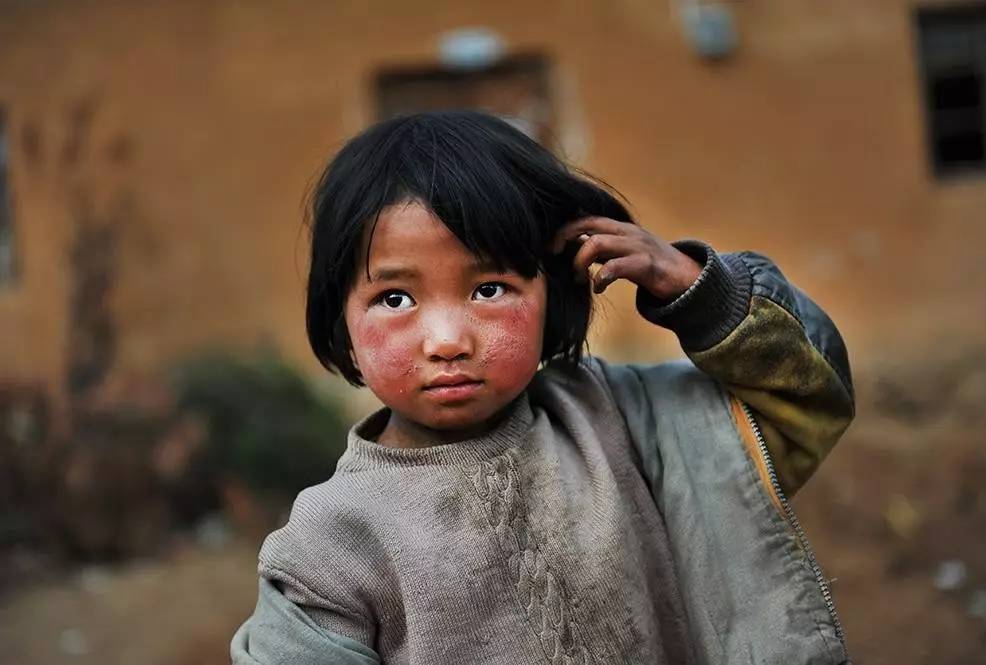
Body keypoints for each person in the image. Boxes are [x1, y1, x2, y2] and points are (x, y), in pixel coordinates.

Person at [231, 110, 855, 664]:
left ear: (551, 296)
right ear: (341, 324)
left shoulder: (626, 422)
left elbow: (809, 396)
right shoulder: (333, 542)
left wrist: (700, 292)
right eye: (394, 297)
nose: (447, 340)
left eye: (489, 289)